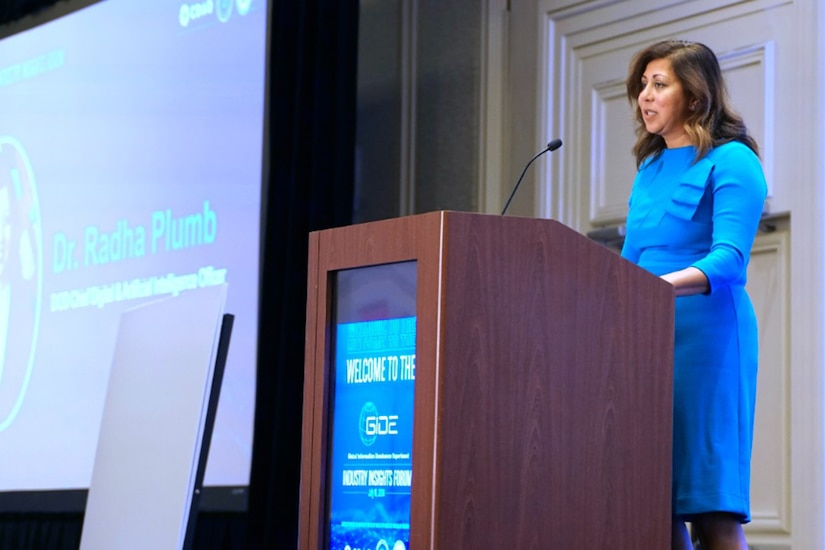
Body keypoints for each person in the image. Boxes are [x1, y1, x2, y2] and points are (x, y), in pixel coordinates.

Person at [621, 40, 767, 550]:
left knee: (710, 511)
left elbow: (729, 260)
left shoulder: (733, 161)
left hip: (709, 346)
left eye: (659, 84)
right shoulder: (649, 169)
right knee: (651, 506)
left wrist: (655, 288)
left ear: (696, 96)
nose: (645, 96)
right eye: (643, 85)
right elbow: (629, 263)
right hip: (649, 342)